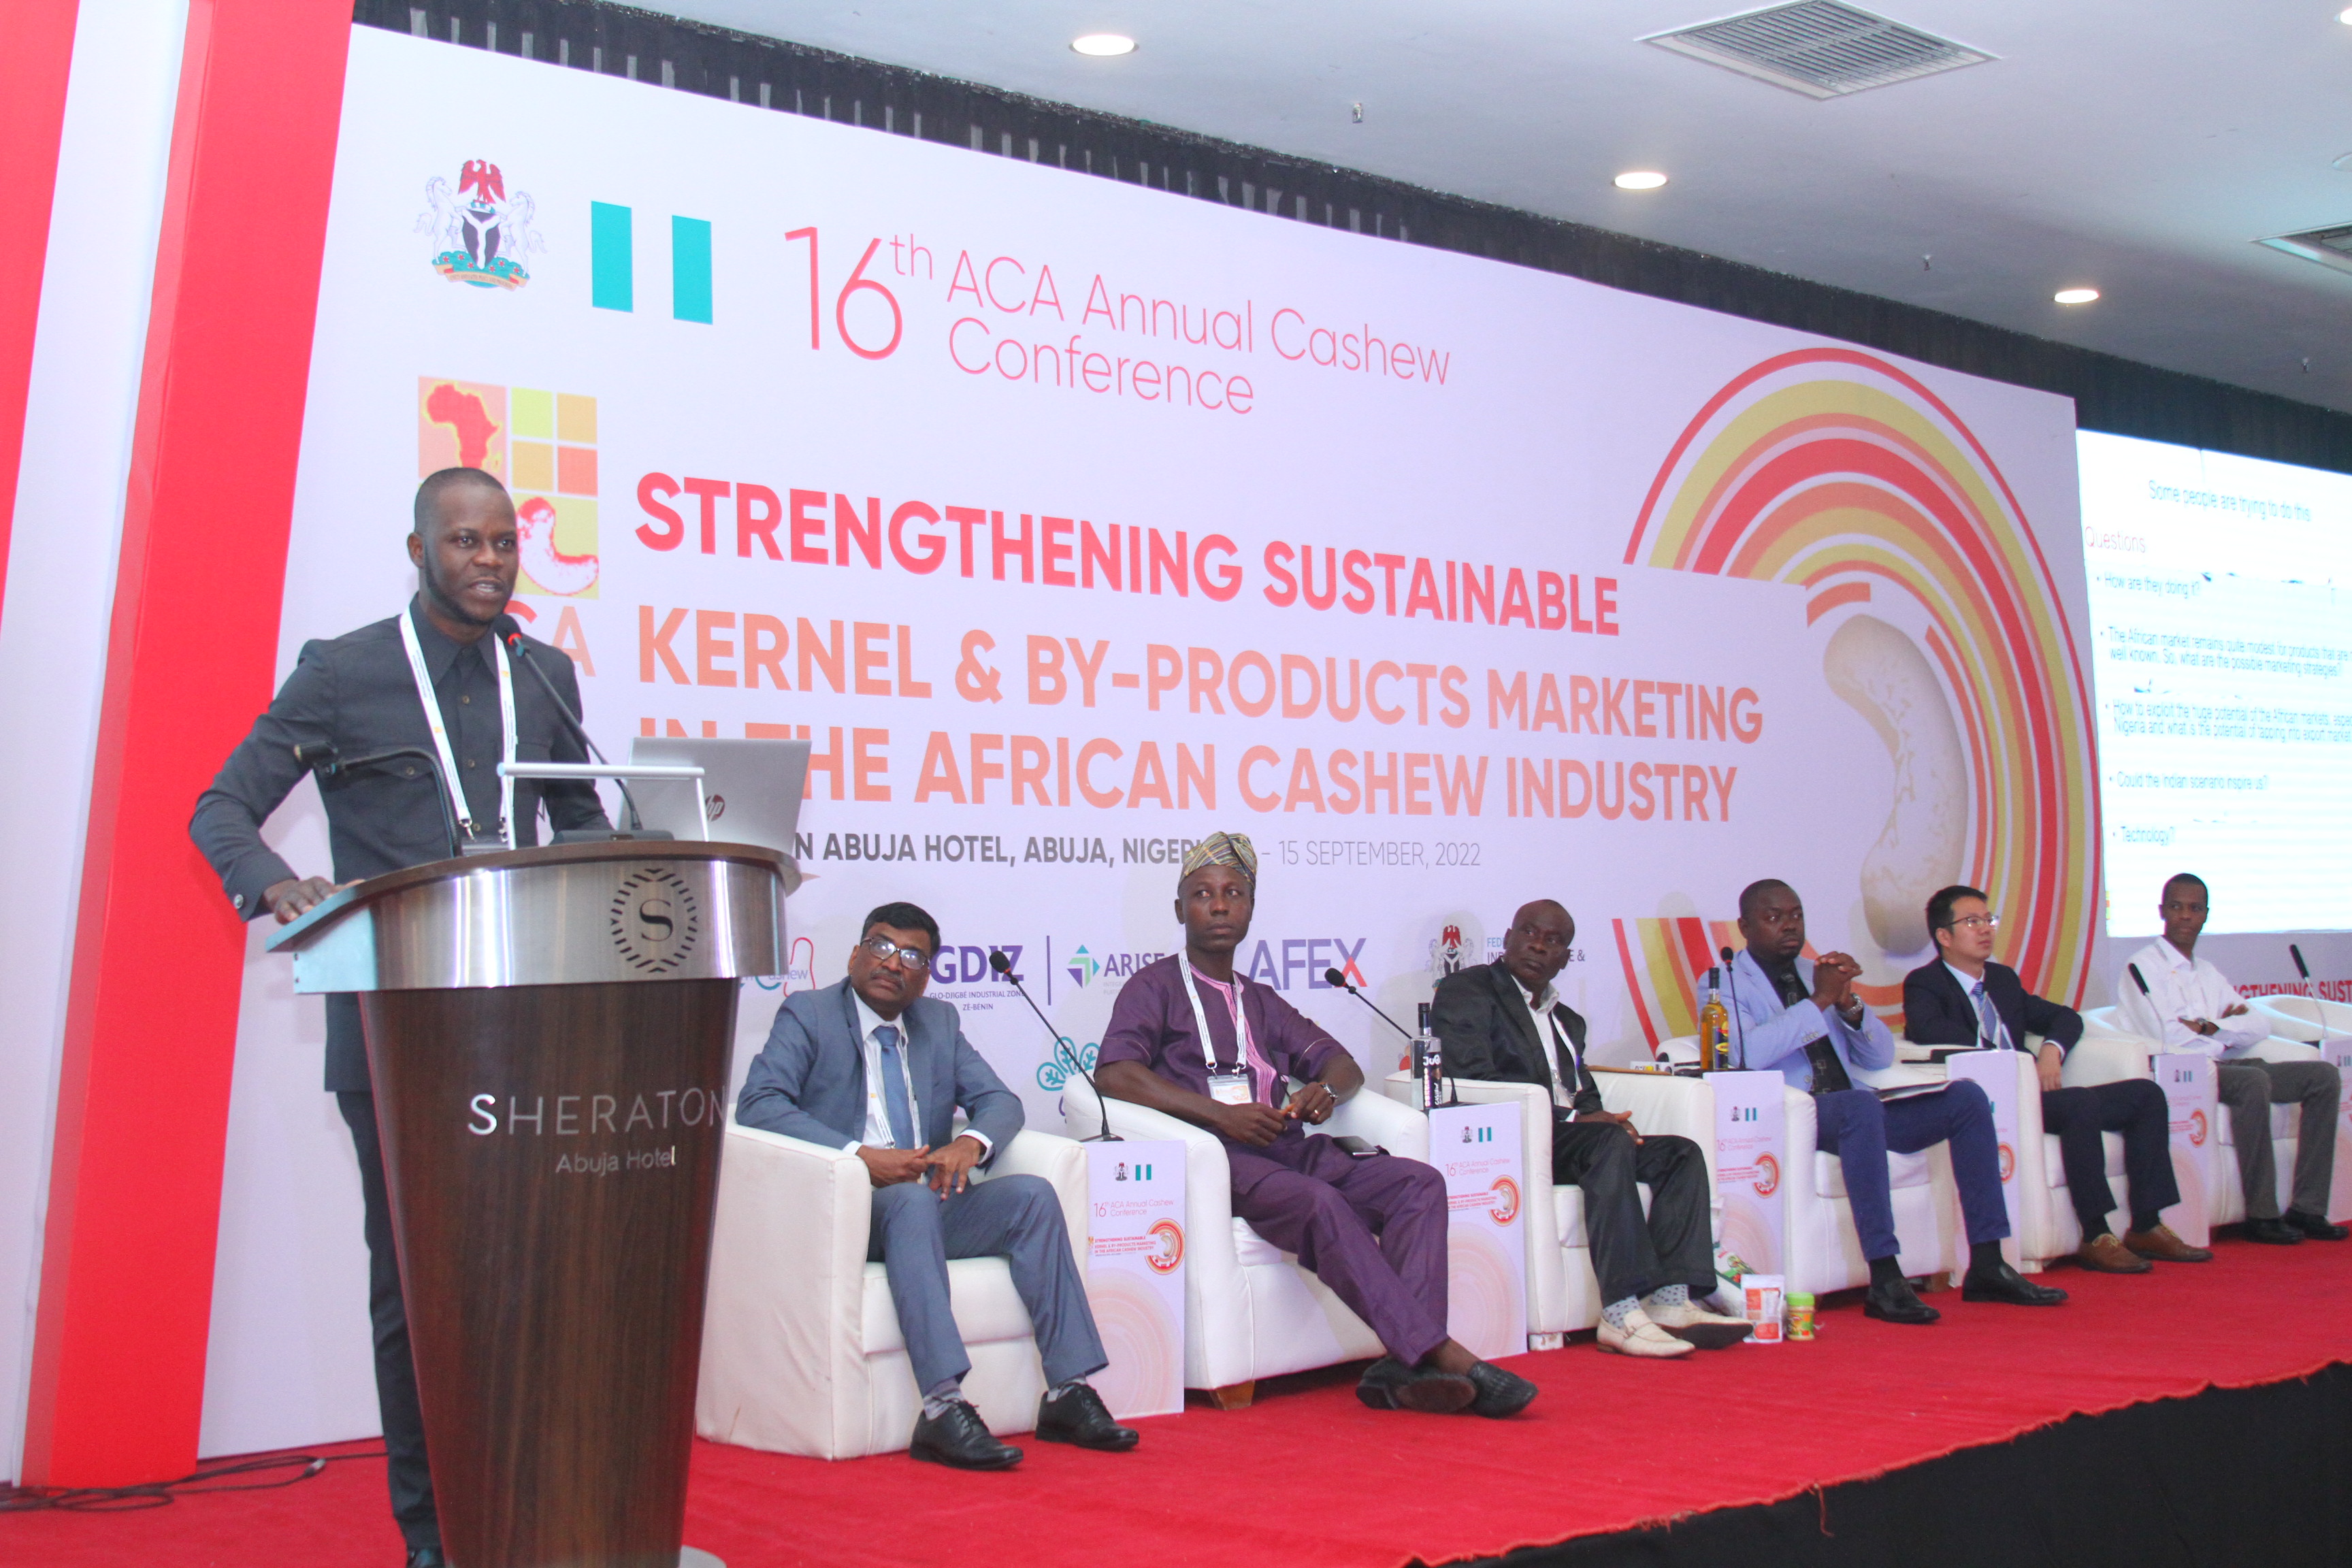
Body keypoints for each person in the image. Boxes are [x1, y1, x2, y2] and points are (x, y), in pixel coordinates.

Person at [190, 469, 609, 1568]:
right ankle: (436, 1536)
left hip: (533, 1031)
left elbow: (581, 825)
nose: (489, 560)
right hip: (396, 1034)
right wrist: (275, 884)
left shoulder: (546, 673)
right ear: (419, 550)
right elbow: (221, 807)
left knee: (533, 1282)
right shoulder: (344, 673)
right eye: (466, 542)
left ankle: (533, 1509)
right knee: (419, 1292)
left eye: (505, 542)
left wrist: (629, 856)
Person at [1095, 833, 1539, 1418]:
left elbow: (1342, 1065)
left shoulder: (1260, 999)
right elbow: (1115, 1074)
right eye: (1203, 895)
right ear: (1180, 910)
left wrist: (1324, 1092)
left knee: (1419, 1183)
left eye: (1234, 894)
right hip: (1221, 1158)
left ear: (1251, 907)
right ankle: (1441, 1354)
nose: (1220, 906)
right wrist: (1221, 1115)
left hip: (1285, 1145)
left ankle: (1406, 1368)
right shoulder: (1152, 988)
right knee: (1319, 1202)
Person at [736, 901, 1137, 1469]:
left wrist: (970, 1143)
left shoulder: (939, 1023)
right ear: (854, 955)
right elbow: (759, 1103)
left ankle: (1068, 1392)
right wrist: (861, 1158)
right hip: (848, 1206)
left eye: (911, 956)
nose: (891, 963)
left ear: (926, 976)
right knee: (908, 1200)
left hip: (926, 1204)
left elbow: (1000, 1102)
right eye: (880, 946)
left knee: (1031, 1197)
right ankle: (942, 1406)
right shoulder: (810, 1014)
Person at [1727, 879, 2068, 1323]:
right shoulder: (1727, 982)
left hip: (1858, 1112)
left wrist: (1848, 1006)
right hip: (1799, 1115)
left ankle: (1988, 1263)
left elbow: (1879, 1055)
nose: (1789, 926)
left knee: (1966, 1098)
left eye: (1796, 915)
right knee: (1859, 1106)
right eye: (1774, 918)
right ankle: (1885, 1277)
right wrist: (1822, 999)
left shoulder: (1817, 972)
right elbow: (1746, 1054)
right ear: (1745, 927)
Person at [1433, 899, 1751, 1356]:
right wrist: (1581, 1121)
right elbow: (1473, 1077)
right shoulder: (1468, 991)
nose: (1538, 946)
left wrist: (1605, 1121)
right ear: (1508, 938)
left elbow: (1583, 1094)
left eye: (1553, 941)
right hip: (1512, 1137)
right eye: (1529, 933)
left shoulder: (1568, 1021)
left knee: (1680, 1154)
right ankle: (1620, 1313)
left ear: (1566, 958)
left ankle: (1671, 1300)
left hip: (1572, 1138)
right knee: (1605, 1141)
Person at [1902, 885, 2210, 1271]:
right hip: (1990, 1100)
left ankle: (2147, 1225)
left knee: (2145, 1094)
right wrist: (2014, 1062)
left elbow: (2066, 1017)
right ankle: (2096, 1234)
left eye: (1988, 919)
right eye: (1972, 922)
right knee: (2078, 1103)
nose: (1985, 929)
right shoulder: (1925, 984)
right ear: (1944, 936)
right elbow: (1929, 1033)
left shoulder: (2002, 980)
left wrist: (2051, 1050)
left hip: (2032, 1092)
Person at [2113, 874, 2347, 1244]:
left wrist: (2208, 1027)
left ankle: (2308, 1208)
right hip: (2184, 1074)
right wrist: (2223, 1035)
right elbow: (2169, 1037)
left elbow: (2258, 1024)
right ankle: (2262, 1215)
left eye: (2195, 908)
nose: (2185, 916)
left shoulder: (2207, 972)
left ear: (2206, 915)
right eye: (2176, 907)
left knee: (2322, 1076)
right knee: (2254, 1081)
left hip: (2227, 1066)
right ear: (2162, 911)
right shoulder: (2141, 967)